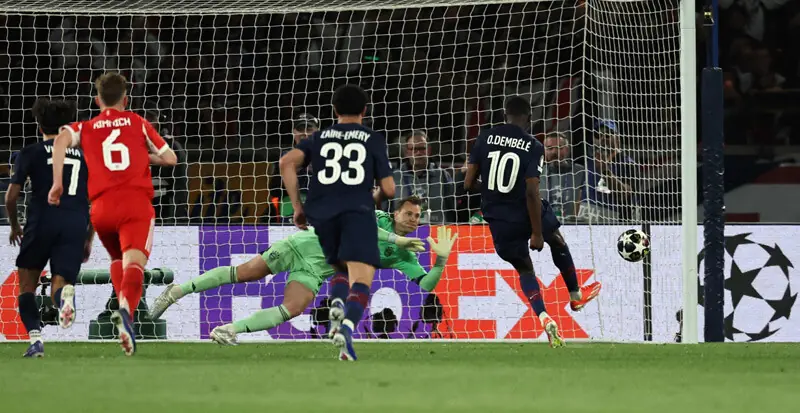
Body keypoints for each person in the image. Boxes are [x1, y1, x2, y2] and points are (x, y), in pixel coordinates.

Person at [145, 212, 427, 344]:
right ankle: (178, 291)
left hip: (315, 269)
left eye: (417, 216)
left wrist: (439, 259)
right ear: (396, 212)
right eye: (408, 213)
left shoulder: (402, 255)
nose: (412, 219)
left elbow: (426, 282)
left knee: (292, 309)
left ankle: (229, 330)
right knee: (244, 273)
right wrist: (397, 239)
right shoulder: (377, 218)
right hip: (303, 245)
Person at [48, 72, 178, 356]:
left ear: (98, 100)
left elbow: (59, 142)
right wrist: (142, 156)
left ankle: (121, 305)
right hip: (134, 204)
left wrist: (57, 184)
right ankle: (125, 313)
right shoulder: (138, 122)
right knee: (135, 265)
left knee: (118, 260)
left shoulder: (87, 127)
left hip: (101, 209)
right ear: (126, 99)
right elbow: (171, 158)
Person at [464, 95, 601, 347]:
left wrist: (495, 192)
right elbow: (531, 192)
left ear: (504, 115)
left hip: (498, 217)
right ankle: (575, 294)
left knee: (525, 269)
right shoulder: (533, 145)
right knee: (557, 240)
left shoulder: (484, 138)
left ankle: (544, 316)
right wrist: (537, 233)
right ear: (528, 117)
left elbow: (468, 183)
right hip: (524, 209)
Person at [279, 84, 395, 361]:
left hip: (323, 214)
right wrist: (375, 197)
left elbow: (286, 163)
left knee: (340, 268)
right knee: (363, 279)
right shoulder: (372, 139)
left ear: (334, 110)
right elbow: (390, 189)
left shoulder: (319, 138)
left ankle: (338, 303)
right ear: (364, 110)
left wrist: (298, 207)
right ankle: (347, 329)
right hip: (357, 211)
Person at [6, 99, 92, 358]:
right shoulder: (85, 156)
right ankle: (64, 297)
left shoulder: (30, 152)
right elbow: (95, 199)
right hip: (76, 222)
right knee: (60, 283)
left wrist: (14, 225)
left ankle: (36, 340)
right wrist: (88, 237)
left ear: (39, 125)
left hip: (42, 219)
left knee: (26, 286)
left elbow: (11, 197)